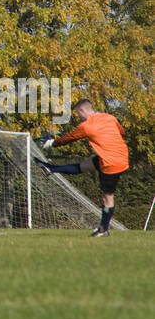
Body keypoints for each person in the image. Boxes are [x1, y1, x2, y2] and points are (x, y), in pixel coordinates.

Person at [42, 99, 129, 236]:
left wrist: (52, 143)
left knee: (108, 197)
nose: (79, 117)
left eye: (78, 114)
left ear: (82, 111)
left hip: (111, 164)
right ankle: (52, 169)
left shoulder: (86, 126)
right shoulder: (109, 117)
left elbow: (68, 138)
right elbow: (122, 132)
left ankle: (103, 230)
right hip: (121, 156)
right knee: (84, 165)